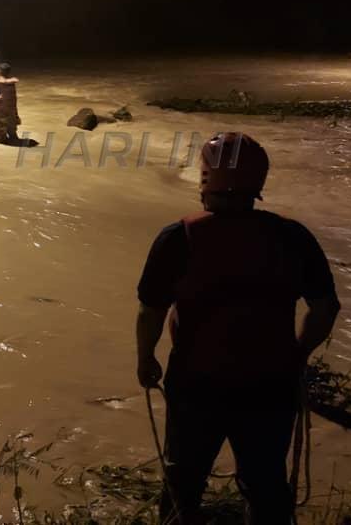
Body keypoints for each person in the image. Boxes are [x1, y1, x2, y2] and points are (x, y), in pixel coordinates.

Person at [135, 132, 340, 525]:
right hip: (271, 383)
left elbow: (151, 310)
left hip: (197, 383)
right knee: (265, 484)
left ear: (206, 178)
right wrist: (298, 354)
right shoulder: (291, 236)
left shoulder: (180, 237)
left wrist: (145, 358)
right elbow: (325, 308)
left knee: (183, 482)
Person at [0, 62, 21, 144]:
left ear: (0, 71)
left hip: (1, 111)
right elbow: (14, 80)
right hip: (11, 110)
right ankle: (12, 136)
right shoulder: (11, 83)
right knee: (12, 133)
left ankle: (2, 137)